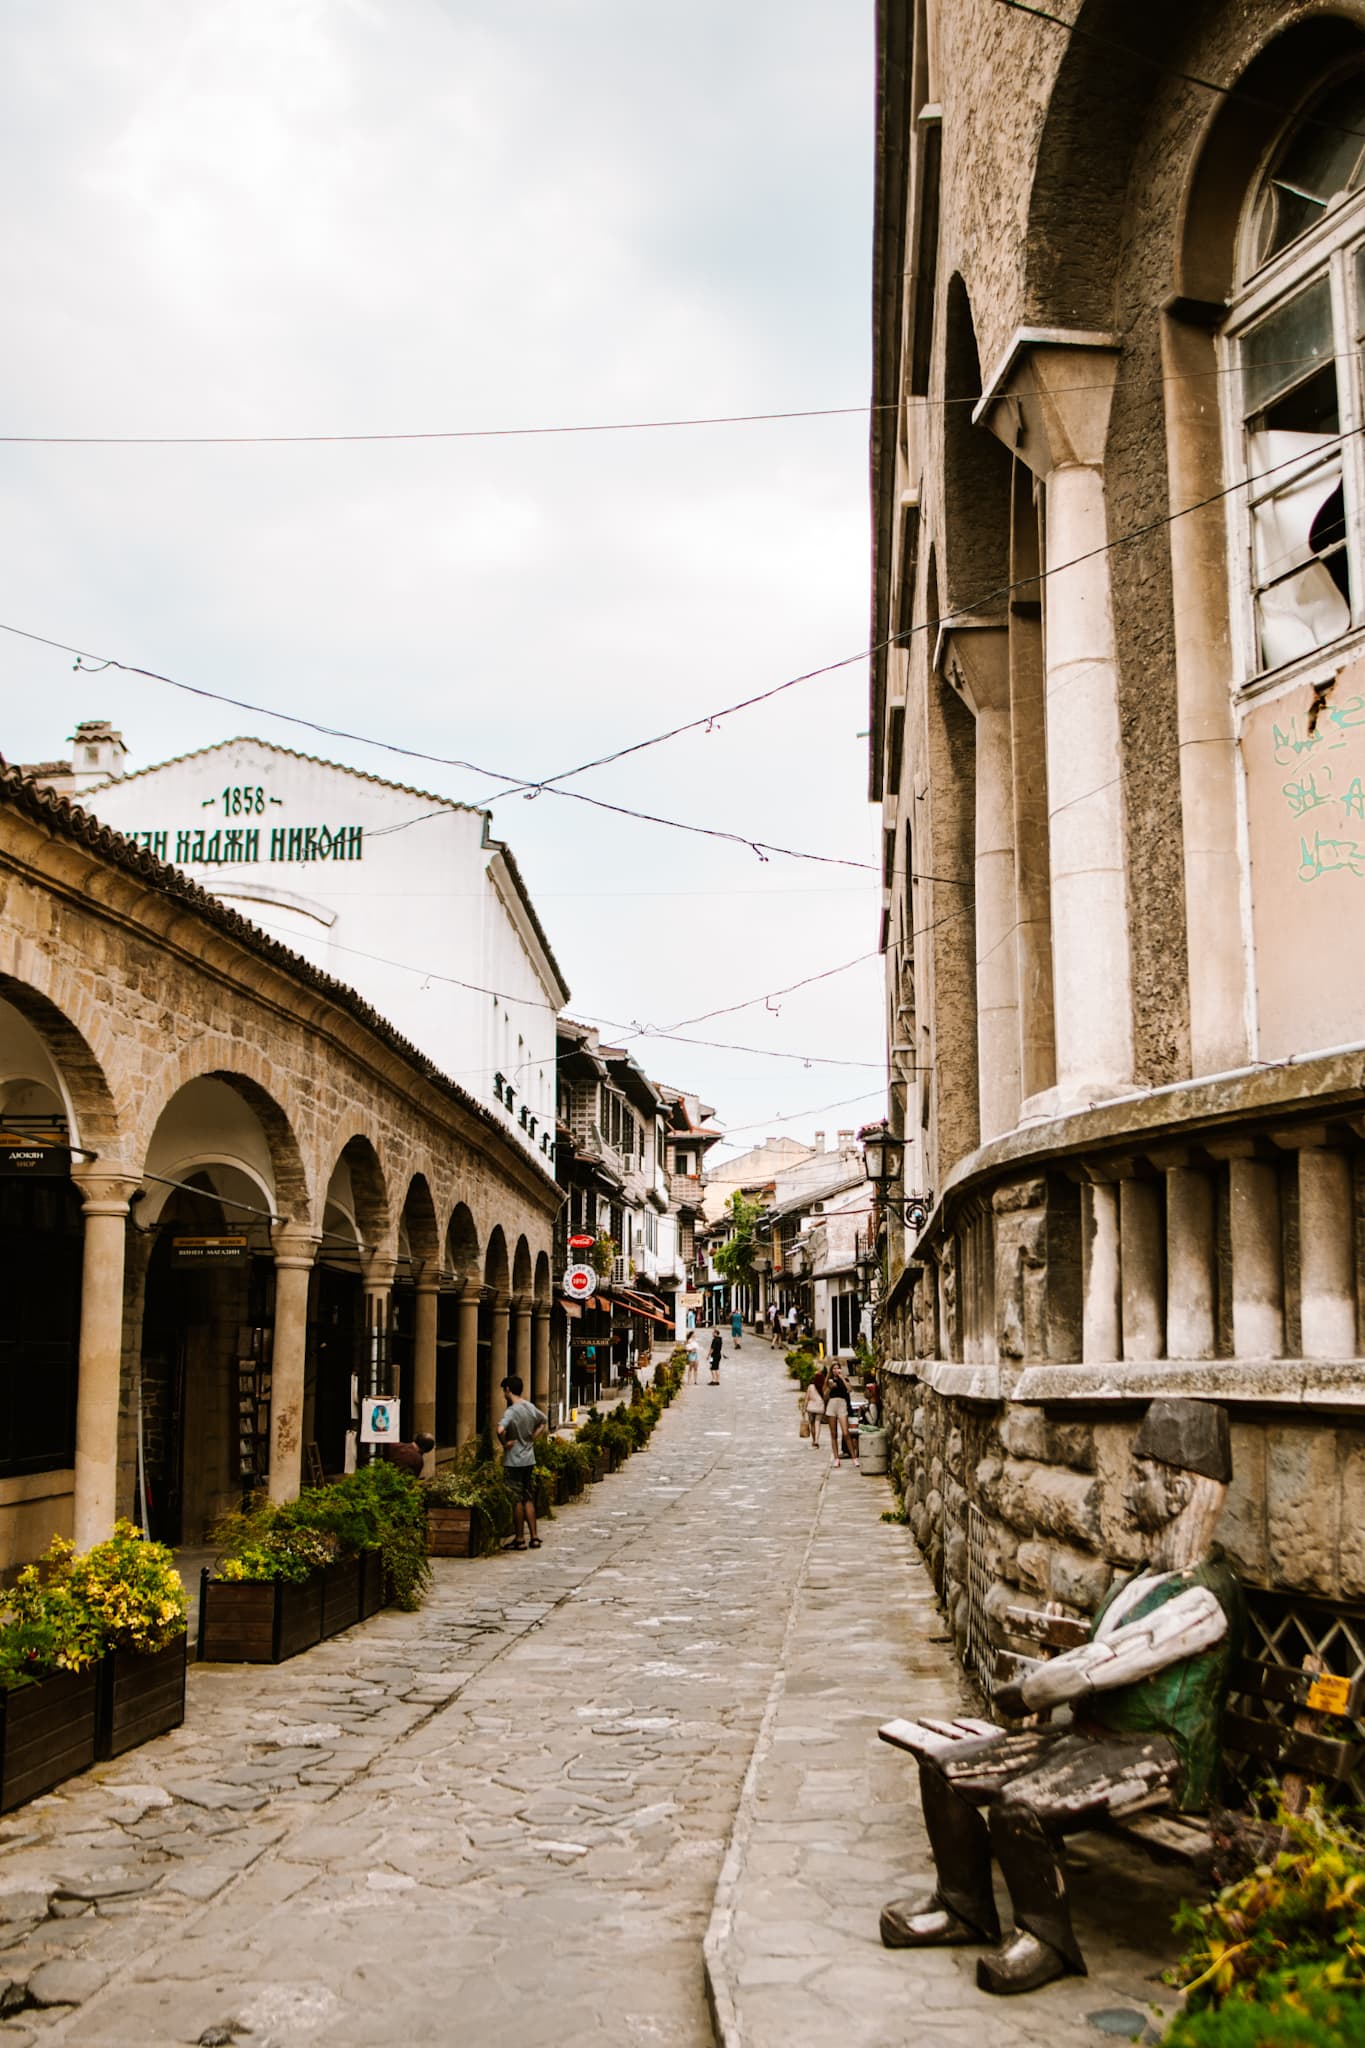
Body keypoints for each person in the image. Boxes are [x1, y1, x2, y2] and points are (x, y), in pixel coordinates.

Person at [879, 1400, 1242, 1996]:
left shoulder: (1204, 1596)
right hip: (1095, 1740)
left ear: (1178, 1490)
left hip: (1163, 1756)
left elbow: (1108, 1663)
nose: (1130, 1487)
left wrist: (1028, 1691)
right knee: (946, 1771)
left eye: (1143, 1473)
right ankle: (963, 1905)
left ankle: (1047, 1940)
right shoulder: (1142, 1579)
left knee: (1022, 1804)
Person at [495, 1373, 547, 1550]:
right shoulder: (530, 1407)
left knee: (516, 1499)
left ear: (508, 1390)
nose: (503, 1394)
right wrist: (533, 1436)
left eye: (504, 1390)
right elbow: (543, 1420)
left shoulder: (511, 1410)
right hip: (529, 1458)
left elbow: (500, 1429)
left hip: (513, 1460)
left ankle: (519, 1538)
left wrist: (505, 1443)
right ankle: (534, 1536)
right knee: (528, 1497)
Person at [824, 1362, 855, 1467]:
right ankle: (836, 1458)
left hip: (842, 1405)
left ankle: (854, 1457)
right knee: (834, 1434)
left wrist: (842, 1378)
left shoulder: (844, 1379)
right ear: (831, 1370)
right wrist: (830, 1388)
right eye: (834, 1368)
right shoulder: (829, 1381)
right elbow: (825, 1396)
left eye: (837, 1368)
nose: (835, 1370)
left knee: (846, 1433)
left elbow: (849, 1390)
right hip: (832, 1405)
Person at [804, 1366, 827, 1448]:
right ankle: (817, 1440)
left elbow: (806, 1399)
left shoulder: (810, 1387)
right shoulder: (823, 1388)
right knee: (818, 1423)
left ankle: (813, 1440)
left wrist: (804, 1409)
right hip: (819, 1408)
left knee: (812, 1424)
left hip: (810, 1408)